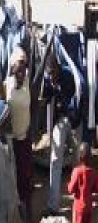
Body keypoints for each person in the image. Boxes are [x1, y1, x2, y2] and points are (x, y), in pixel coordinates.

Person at [44, 54, 77, 214]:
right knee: (55, 160)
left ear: (57, 67)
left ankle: (80, 198)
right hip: (60, 120)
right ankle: (53, 205)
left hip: (74, 120)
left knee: (78, 159)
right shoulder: (48, 79)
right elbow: (46, 99)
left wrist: (57, 89)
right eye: (48, 73)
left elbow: (72, 99)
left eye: (52, 72)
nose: (50, 76)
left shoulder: (68, 75)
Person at [4, 47, 33, 223]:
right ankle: (13, 213)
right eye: (18, 70)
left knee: (26, 177)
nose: (22, 73)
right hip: (11, 139)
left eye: (24, 69)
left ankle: (27, 213)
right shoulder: (8, 85)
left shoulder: (29, 81)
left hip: (24, 138)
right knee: (11, 177)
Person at [68, 142, 98, 223]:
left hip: (79, 207)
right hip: (89, 207)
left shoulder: (77, 171)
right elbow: (96, 188)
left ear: (79, 156)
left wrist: (70, 185)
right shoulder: (94, 173)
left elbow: (71, 189)